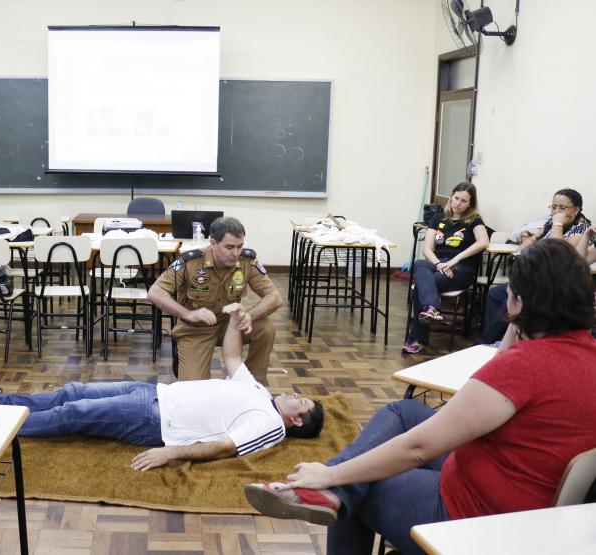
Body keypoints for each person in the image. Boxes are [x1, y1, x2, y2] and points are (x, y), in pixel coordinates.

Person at [243, 239, 596, 555]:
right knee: (405, 410)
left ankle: (331, 490)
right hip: (530, 501)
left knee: (358, 485)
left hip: (478, 514)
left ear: (518, 302)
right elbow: (503, 367)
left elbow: (419, 449)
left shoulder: (525, 366)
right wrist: (520, 321)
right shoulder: (586, 352)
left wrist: (332, 475)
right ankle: (332, 489)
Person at [0, 304, 324, 471]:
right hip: (155, 392)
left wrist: (171, 452)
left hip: (156, 419)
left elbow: (225, 447)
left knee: (73, 413)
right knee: (73, 391)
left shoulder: (270, 426)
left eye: (302, 403)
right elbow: (233, 356)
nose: (296, 395)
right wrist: (237, 319)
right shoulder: (261, 393)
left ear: (296, 421)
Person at [147, 216, 283, 383]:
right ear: (212, 242)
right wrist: (188, 314)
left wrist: (249, 316)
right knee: (194, 390)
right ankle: (186, 359)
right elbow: (155, 292)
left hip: (230, 326)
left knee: (266, 328)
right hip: (196, 329)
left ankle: (253, 384)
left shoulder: (247, 261)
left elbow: (275, 297)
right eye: (229, 247)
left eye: (240, 247)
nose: (236, 253)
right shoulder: (191, 261)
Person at [478, 188, 590, 344]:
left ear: (576, 210)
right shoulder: (549, 224)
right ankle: (494, 340)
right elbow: (519, 251)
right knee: (495, 294)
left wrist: (557, 223)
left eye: (562, 208)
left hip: (552, 286)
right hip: (531, 278)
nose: (556, 211)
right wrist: (535, 237)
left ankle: (487, 343)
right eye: (553, 207)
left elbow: (556, 252)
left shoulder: (582, 229)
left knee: (512, 300)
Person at [402, 182, 489, 354]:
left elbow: (483, 242)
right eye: (456, 198)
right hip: (438, 264)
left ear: (470, 203)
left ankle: (418, 338)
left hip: (461, 268)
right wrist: (439, 264)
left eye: (464, 201)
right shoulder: (438, 218)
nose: (458, 203)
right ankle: (432, 306)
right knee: (420, 264)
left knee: (422, 285)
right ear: (451, 196)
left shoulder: (475, 221)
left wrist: (455, 260)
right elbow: (427, 248)